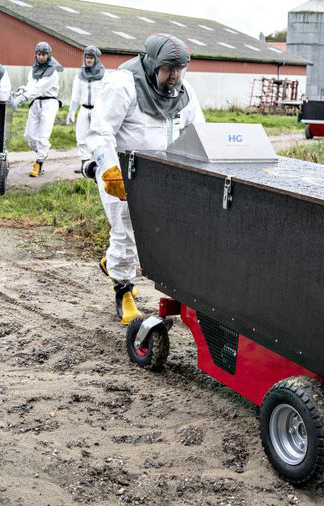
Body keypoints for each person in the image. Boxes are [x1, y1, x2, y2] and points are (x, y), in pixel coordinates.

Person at [83, 34, 205, 324]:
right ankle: (123, 290)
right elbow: (100, 132)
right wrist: (109, 169)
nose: (174, 76)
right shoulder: (123, 84)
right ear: (152, 63)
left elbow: (198, 133)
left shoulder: (184, 94)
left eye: (179, 69)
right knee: (125, 228)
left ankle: (113, 262)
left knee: (154, 234)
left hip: (161, 175)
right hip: (123, 171)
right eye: (168, 68)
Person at [10, 42, 63, 177]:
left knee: (43, 136)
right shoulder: (33, 69)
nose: (41, 57)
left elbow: (39, 88)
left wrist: (22, 99)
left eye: (44, 55)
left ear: (48, 55)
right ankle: (42, 153)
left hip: (49, 103)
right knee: (29, 136)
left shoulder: (53, 72)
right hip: (35, 103)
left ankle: (39, 163)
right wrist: (22, 90)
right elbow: (31, 86)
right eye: (39, 54)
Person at [67, 46, 106, 174]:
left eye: (91, 58)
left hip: (97, 110)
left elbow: (107, 94)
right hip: (84, 109)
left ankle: (99, 164)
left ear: (96, 58)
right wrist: (72, 110)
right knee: (81, 136)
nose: (88, 60)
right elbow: (75, 94)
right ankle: (85, 166)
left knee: (98, 137)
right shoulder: (80, 75)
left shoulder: (103, 74)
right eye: (87, 57)